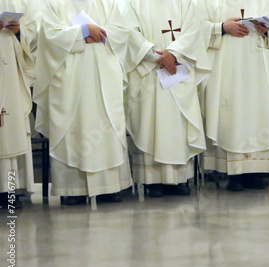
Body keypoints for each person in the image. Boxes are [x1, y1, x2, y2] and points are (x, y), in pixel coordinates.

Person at [34, 0, 151, 205]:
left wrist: (99, 32)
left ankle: (109, 187)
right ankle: (72, 189)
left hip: (103, 75)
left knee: (105, 125)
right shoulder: (53, 3)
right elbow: (48, 36)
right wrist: (81, 32)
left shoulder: (108, 3)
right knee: (71, 125)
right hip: (70, 79)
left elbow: (122, 32)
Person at [124, 0, 210, 197]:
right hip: (148, 71)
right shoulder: (133, 3)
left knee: (177, 123)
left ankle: (179, 178)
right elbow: (130, 32)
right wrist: (156, 56)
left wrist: (174, 54)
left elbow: (193, 30)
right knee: (150, 122)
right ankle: (151, 179)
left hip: (177, 71)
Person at [197, 0, 269, 191]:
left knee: (257, 112)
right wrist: (221, 27)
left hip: (257, 65)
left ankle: (258, 170)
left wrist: (267, 30)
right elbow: (196, 27)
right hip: (226, 63)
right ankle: (232, 171)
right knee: (231, 113)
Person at [0, 0, 37, 209]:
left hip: (10, 67)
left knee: (9, 125)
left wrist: (19, 31)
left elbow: (34, 31)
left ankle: (9, 190)